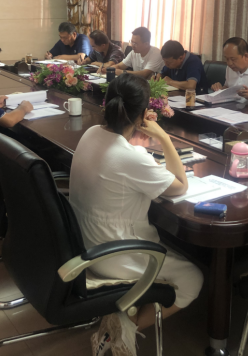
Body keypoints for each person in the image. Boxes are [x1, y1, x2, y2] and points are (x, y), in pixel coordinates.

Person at [69, 75, 203, 356]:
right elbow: (181, 186)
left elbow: (123, 162)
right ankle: (122, 330)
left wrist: (137, 147)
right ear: (144, 114)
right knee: (193, 278)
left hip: (83, 242)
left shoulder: (91, 133)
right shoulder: (130, 156)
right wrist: (163, 137)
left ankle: (125, 313)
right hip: (115, 254)